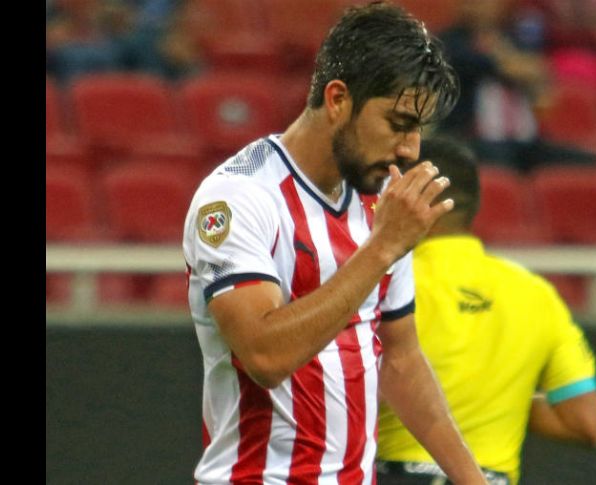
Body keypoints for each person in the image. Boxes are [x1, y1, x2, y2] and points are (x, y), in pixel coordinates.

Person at [182, 3, 489, 484]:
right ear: (338, 98)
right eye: (398, 123)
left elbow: (401, 360)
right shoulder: (238, 197)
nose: (410, 149)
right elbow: (265, 357)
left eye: (418, 130)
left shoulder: (382, 201)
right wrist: (381, 249)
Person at [376, 136, 596, 485]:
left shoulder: (384, 280)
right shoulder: (538, 293)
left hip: (394, 475)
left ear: (406, 197)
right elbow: (587, 424)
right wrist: (500, 395)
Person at [434, 0, 596, 173]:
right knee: (498, 163)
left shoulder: (512, 36)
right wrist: (515, 64)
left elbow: (540, 69)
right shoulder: (449, 41)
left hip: (526, 139)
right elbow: (495, 66)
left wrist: (518, 64)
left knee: (586, 162)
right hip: (475, 137)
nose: (481, 7)